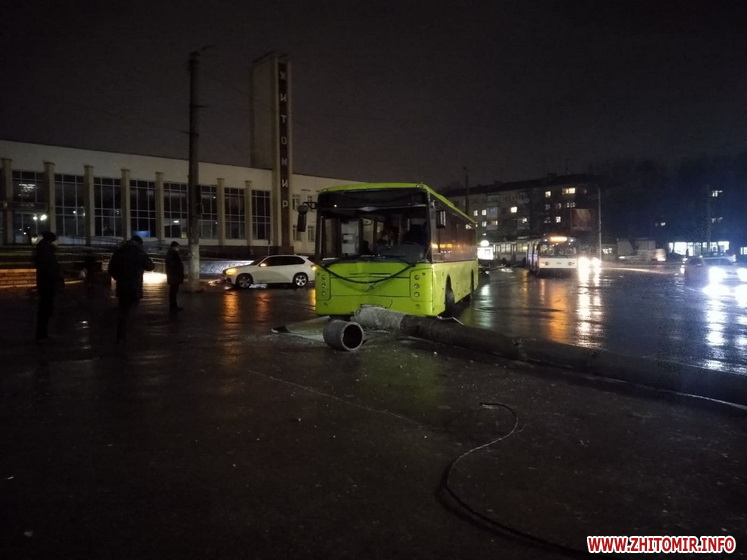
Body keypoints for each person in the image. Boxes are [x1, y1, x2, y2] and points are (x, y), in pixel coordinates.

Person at [107, 235, 155, 342]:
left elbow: (110, 269)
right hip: (134, 286)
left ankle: (121, 334)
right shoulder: (140, 252)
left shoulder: (119, 251)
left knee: (122, 310)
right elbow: (150, 266)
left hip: (122, 287)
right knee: (131, 310)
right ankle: (128, 333)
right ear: (139, 243)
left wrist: (119, 278)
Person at [33, 231, 63, 340]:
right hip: (47, 285)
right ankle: (42, 334)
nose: (58, 242)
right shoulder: (46, 251)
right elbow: (50, 269)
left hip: (46, 284)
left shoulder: (45, 250)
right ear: (51, 241)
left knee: (45, 309)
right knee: (45, 309)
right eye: (56, 240)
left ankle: (42, 333)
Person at [165, 241, 185, 313]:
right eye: (177, 247)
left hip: (173, 275)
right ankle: (173, 307)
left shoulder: (170, 253)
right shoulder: (173, 254)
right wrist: (179, 272)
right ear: (174, 247)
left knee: (173, 292)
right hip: (175, 275)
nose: (178, 248)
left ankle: (173, 306)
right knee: (173, 292)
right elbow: (175, 265)